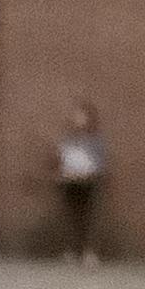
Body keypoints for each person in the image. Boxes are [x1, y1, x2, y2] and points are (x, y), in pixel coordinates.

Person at [56, 101, 106, 263]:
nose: (79, 120)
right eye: (77, 116)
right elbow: (62, 160)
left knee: (89, 218)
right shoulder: (67, 140)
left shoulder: (96, 140)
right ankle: (71, 250)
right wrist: (65, 173)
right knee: (71, 217)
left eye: (83, 117)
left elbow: (99, 163)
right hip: (70, 182)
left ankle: (89, 252)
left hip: (89, 183)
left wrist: (88, 174)